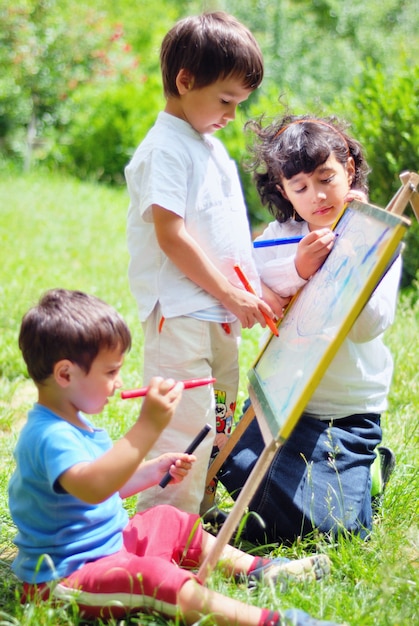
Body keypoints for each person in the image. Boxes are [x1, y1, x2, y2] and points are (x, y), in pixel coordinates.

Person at [8, 288, 343, 626]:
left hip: (110, 549)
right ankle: (273, 621)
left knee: (168, 518)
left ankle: (258, 570)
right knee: (153, 577)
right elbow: (93, 487)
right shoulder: (48, 436)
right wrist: (147, 427)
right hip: (65, 577)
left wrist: (154, 470)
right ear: (65, 374)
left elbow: (109, 484)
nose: (118, 382)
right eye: (110, 373)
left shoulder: (75, 421)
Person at [125, 11, 287, 516]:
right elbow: (171, 236)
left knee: (217, 417)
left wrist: (255, 289)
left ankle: (200, 505)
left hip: (218, 316)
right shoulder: (165, 150)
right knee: (185, 423)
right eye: (225, 101)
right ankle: (166, 523)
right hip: (182, 315)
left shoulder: (209, 147)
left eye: (240, 105)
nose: (232, 115)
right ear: (185, 81)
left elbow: (225, 237)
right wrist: (229, 293)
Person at [218, 115, 401, 544]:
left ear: (349, 171)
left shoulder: (377, 235)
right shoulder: (282, 233)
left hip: (347, 413)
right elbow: (252, 275)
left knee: (336, 530)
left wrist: (353, 255)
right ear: (283, 191)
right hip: (287, 403)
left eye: (326, 178)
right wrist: (298, 268)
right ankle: (296, 497)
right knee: (228, 460)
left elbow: (369, 326)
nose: (316, 196)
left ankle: (367, 473)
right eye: (300, 187)